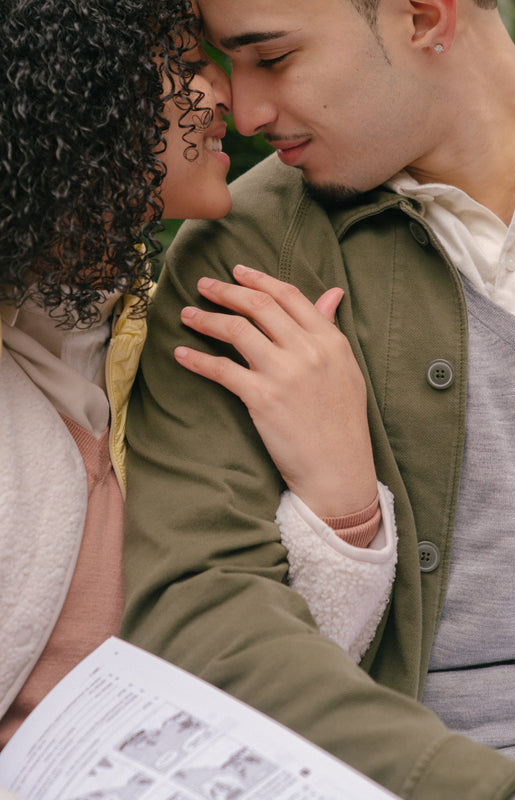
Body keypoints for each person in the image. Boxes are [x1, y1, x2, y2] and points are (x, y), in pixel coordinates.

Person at [121, 0, 515, 797]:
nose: (243, 110)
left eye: (271, 58)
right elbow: (204, 612)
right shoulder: (239, 258)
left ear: (422, 17)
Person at [0, 0, 394, 776]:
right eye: (184, 65)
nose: (231, 104)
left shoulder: (144, 327)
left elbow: (260, 694)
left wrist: (340, 498)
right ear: (73, 93)